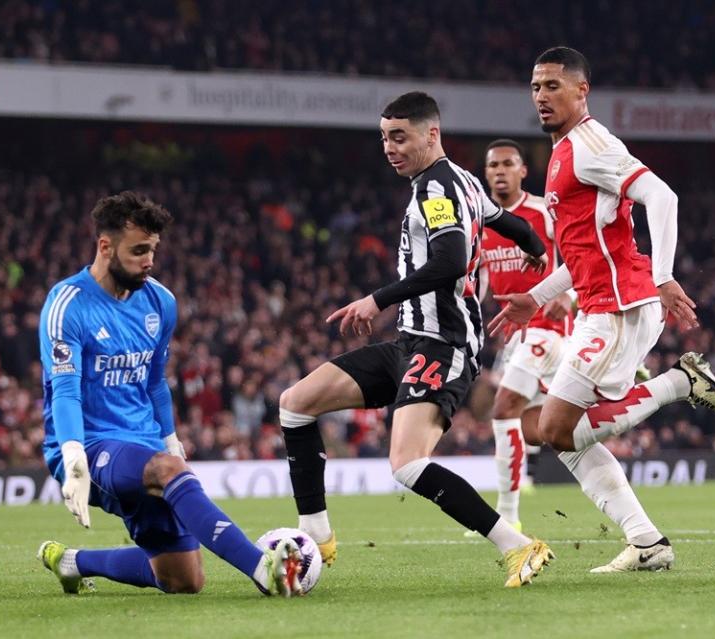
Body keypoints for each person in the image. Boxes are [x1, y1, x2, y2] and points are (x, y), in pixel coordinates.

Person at [279, 91, 554, 588]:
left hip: (443, 344)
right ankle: (316, 534)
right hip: (410, 342)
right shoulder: (463, 180)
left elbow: (450, 259)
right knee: (296, 404)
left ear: (433, 134)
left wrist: (376, 300)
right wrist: (534, 247)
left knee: (406, 465)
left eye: (400, 137)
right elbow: (504, 221)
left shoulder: (437, 189)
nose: (389, 147)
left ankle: (519, 545)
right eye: (384, 137)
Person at [489, 47, 715, 572]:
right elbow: (579, 256)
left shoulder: (591, 144)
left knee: (553, 429)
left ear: (582, 90)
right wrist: (532, 298)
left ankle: (679, 384)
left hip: (621, 305)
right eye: (535, 86)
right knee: (559, 435)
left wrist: (664, 275)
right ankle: (647, 542)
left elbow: (663, 197)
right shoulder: (560, 154)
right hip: (599, 305)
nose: (541, 96)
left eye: (553, 85)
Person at [35, 191, 304, 597]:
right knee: (168, 472)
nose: (149, 261)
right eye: (138, 250)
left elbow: (155, 380)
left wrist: (170, 439)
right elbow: (66, 389)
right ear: (105, 247)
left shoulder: (160, 302)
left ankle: (73, 561)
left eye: (153, 250)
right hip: (90, 445)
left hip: (144, 443)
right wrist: (73, 454)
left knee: (183, 579)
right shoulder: (67, 305)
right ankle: (261, 567)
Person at [469, 138, 573, 533]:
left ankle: (507, 517)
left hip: (549, 327)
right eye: (493, 165)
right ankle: (631, 387)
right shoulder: (481, 223)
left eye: (508, 163)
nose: (499, 171)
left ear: (522, 171)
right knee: (539, 425)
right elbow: (479, 281)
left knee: (504, 406)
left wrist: (572, 295)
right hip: (516, 337)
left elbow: (582, 256)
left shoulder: (543, 212)